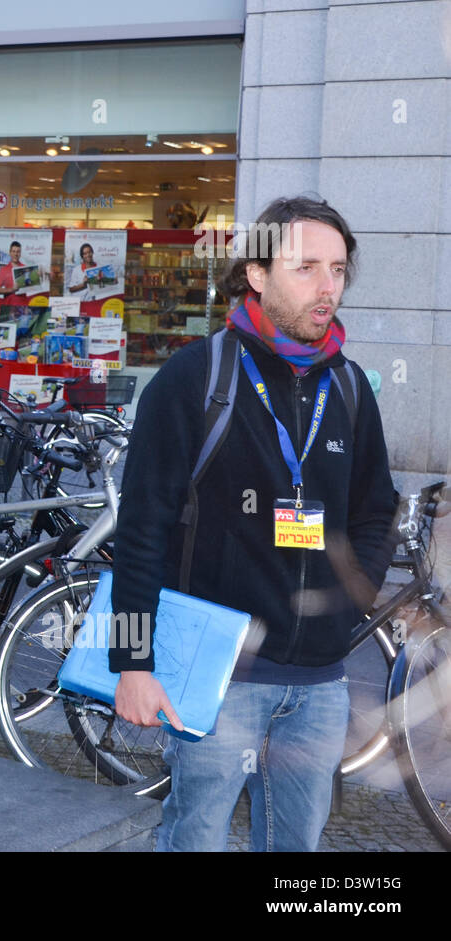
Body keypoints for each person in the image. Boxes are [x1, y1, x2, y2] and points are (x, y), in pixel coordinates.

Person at [110, 196, 397, 851]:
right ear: (257, 274)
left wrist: (349, 604)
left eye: (339, 269)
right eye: (307, 268)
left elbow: (376, 509)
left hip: (322, 685)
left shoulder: (349, 388)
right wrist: (132, 661)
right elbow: (142, 531)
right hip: (221, 682)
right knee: (197, 837)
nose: (328, 286)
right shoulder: (194, 379)